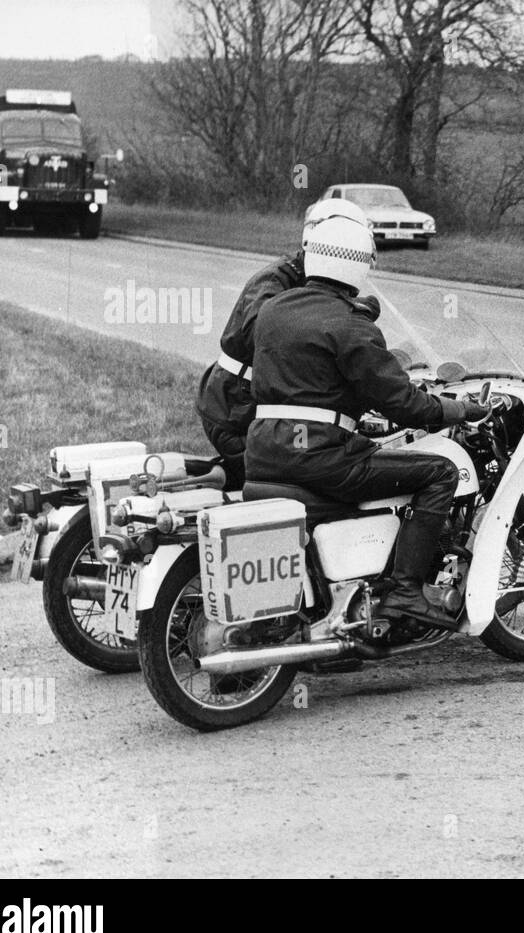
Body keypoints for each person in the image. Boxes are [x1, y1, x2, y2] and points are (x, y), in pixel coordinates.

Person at [244, 201, 488, 628]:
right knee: (440, 473)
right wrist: (457, 409)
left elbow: (312, 381)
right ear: (359, 265)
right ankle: (405, 592)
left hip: (263, 452)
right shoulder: (350, 324)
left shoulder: (274, 310)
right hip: (320, 458)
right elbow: (405, 404)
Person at [194, 198, 371, 489]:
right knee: (312, 475)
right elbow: (268, 337)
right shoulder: (276, 280)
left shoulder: (316, 281)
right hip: (235, 411)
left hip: (241, 407)